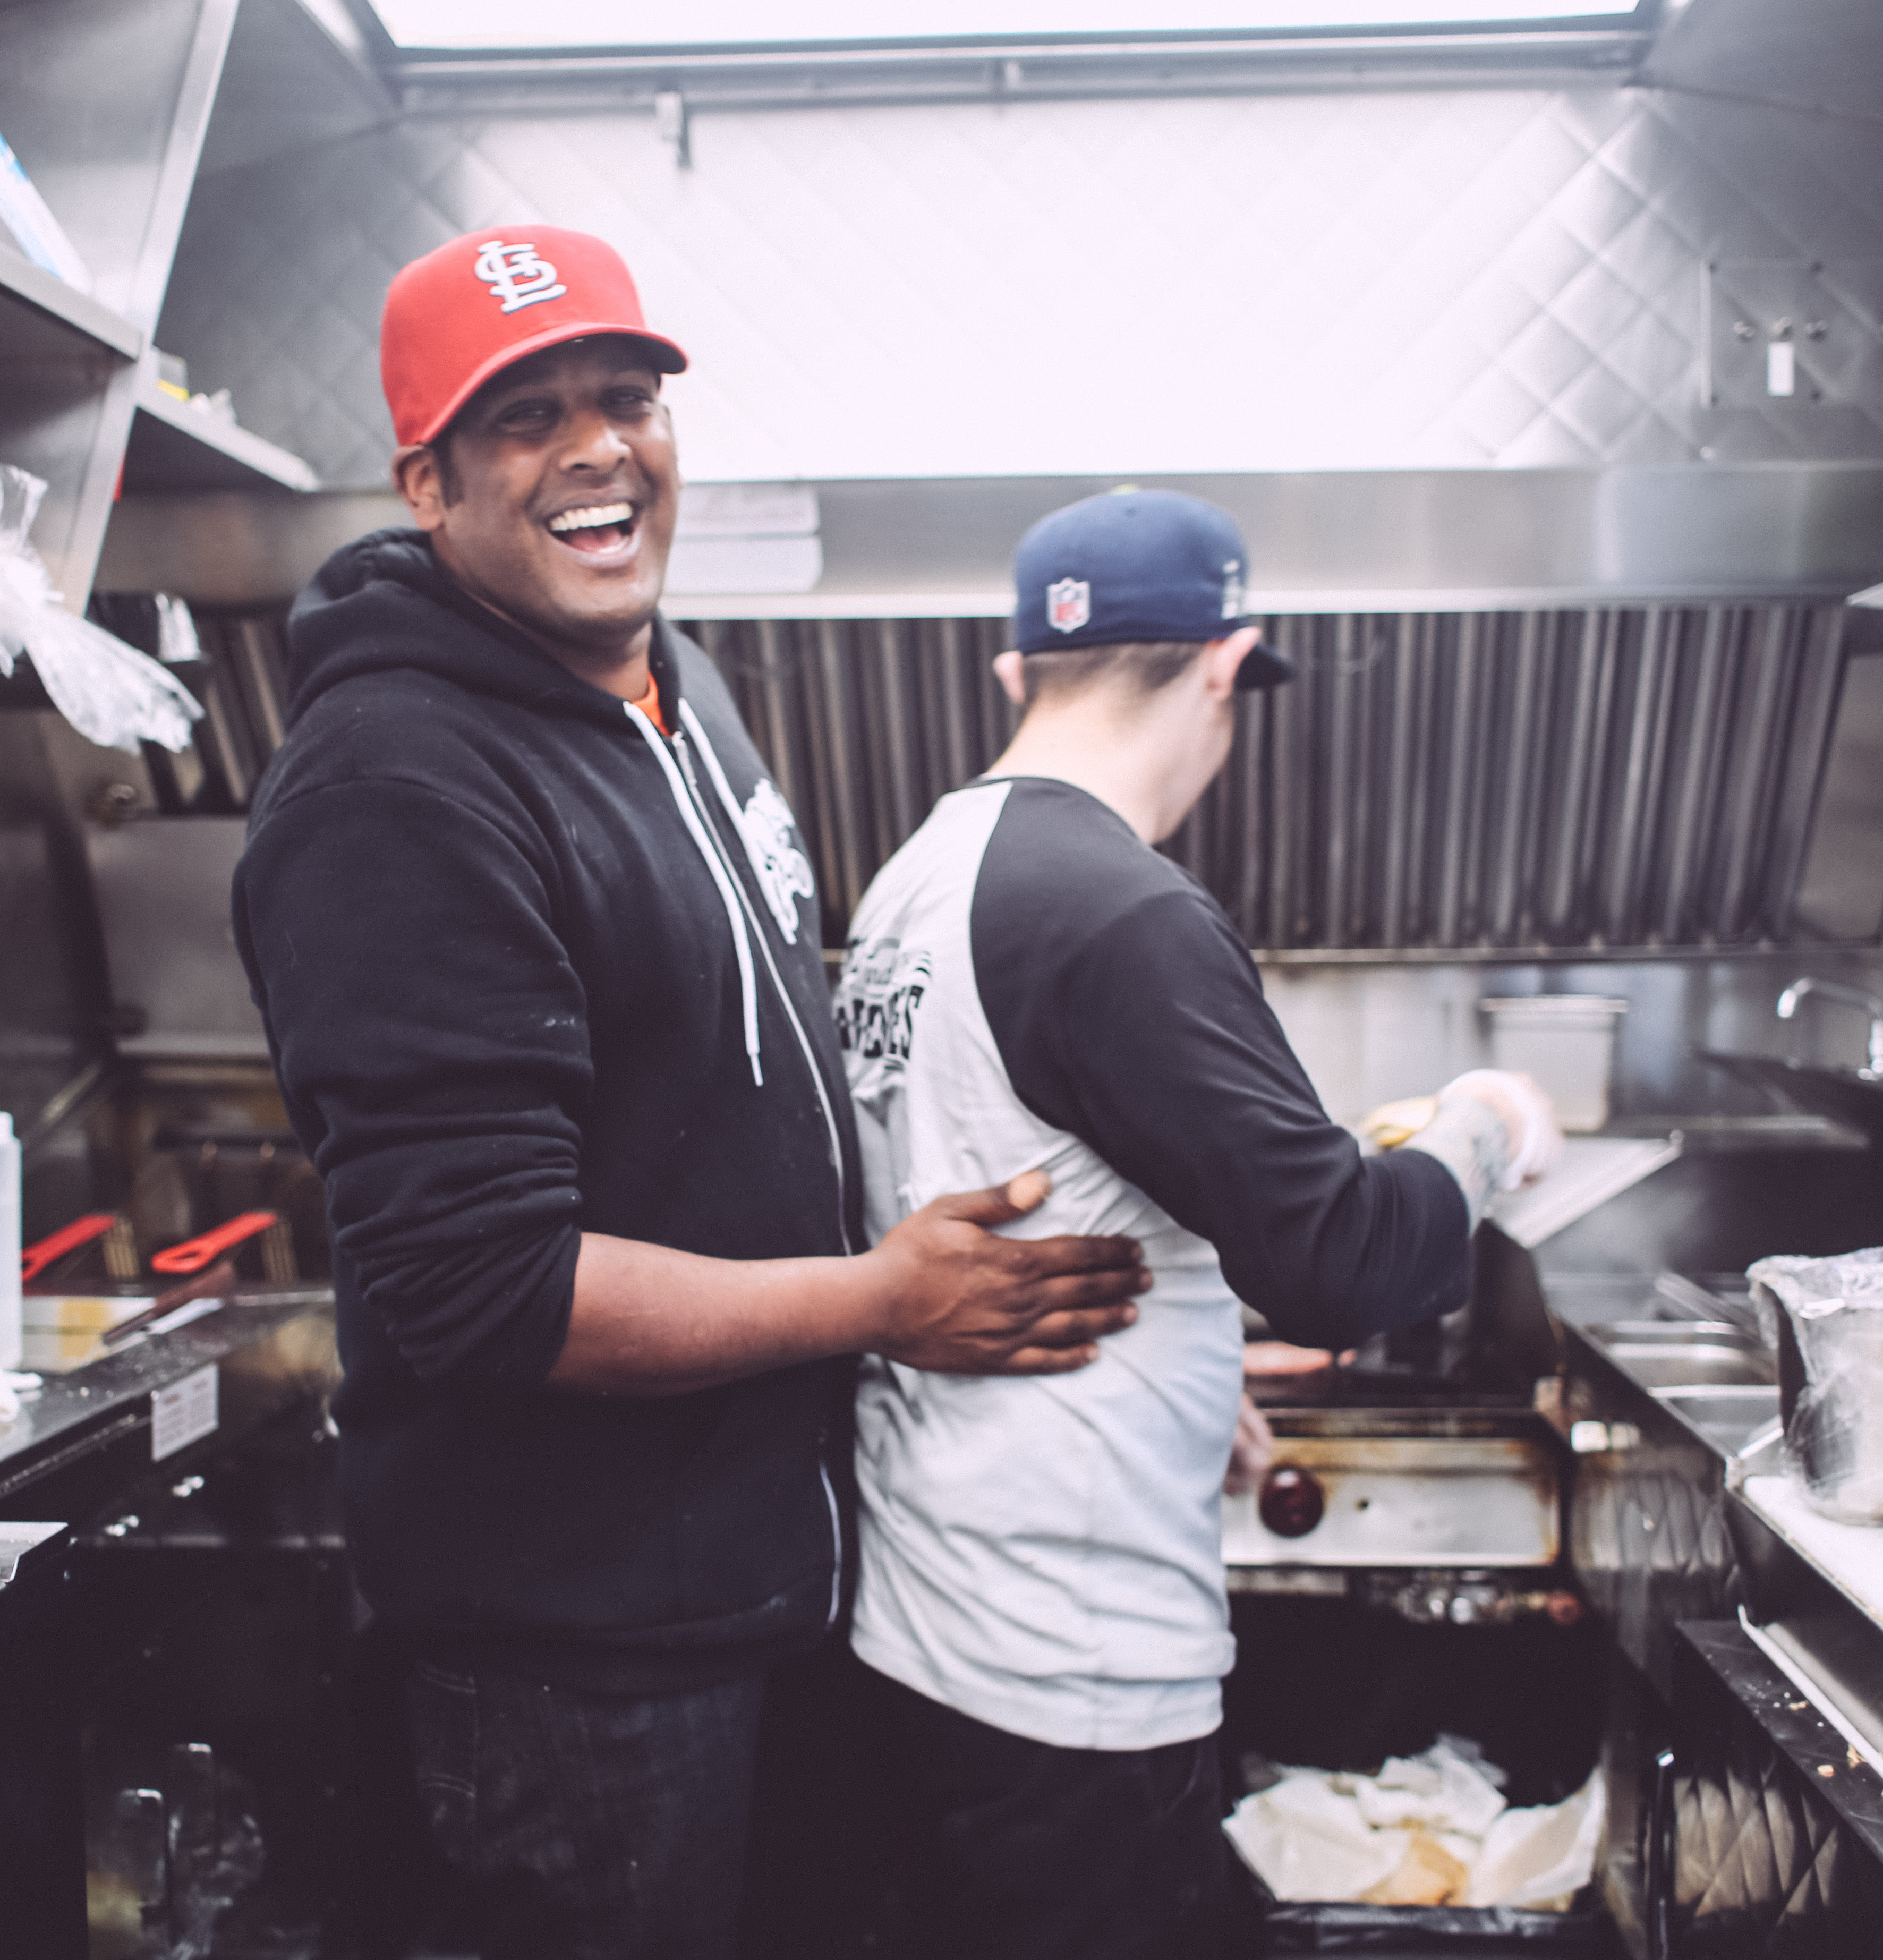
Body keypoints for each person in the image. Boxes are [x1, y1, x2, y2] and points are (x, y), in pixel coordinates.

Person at [230, 226, 1153, 1960]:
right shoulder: (394, 790)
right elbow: (484, 1288)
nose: (596, 449)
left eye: (626, 399)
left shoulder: (676, 691)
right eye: (525, 418)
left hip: (750, 1590)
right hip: (574, 1666)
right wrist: (881, 1299)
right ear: (425, 484)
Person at [832, 489, 1560, 1959]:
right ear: (1225, 669)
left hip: (927, 1612)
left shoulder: (919, 880)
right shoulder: (1114, 906)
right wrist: (1485, 1124)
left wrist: (1175, 1357)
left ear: (1017, 674)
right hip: (1069, 1665)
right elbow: (1341, 1261)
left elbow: (1013, 1174)